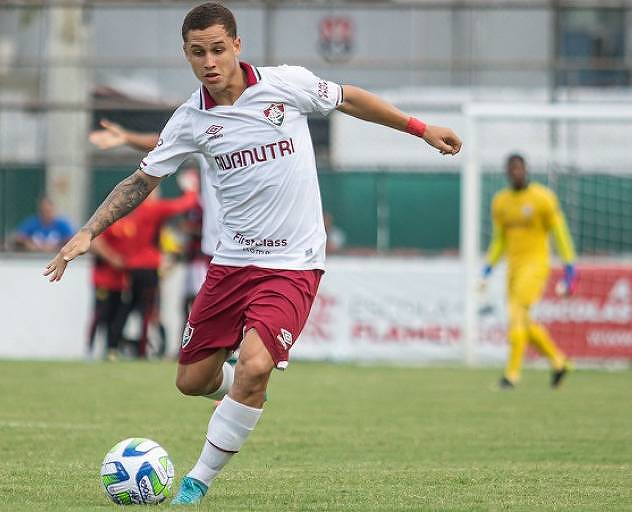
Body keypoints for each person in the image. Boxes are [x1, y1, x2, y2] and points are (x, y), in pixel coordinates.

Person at [45, 3, 461, 505]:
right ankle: (245, 396)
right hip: (232, 264)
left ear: (237, 46)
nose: (210, 61)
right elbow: (142, 180)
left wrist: (421, 129)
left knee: (256, 365)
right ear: (187, 55)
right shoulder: (190, 119)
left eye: (218, 49)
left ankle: (196, 482)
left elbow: (352, 101)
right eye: (198, 53)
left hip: (294, 263)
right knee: (191, 381)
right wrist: (88, 231)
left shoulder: (287, 85)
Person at [479, 154, 576, 390]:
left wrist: (570, 267)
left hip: (536, 265)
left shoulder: (543, 198)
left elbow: (560, 234)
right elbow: (499, 240)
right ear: (507, 172)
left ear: (526, 170)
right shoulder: (501, 202)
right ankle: (559, 362)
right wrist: (487, 268)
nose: (516, 172)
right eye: (511, 169)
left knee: (517, 314)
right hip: (513, 267)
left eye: (519, 168)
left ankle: (511, 375)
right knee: (524, 321)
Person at [107, 174, 200, 359]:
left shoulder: (133, 211)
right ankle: (142, 352)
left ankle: (112, 347)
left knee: (127, 307)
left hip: (132, 268)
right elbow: (183, 205)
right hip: (148, 267)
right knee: (148, 310)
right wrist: (192, 188)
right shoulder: (153, 208)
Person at [87, 227, 127, 361]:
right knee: (100, 316)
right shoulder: (107, 221)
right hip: (103, 280)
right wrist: (112, 258)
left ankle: (111, 350)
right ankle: (90, 350)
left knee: (115, 318)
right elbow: (94, 243)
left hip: (120, 281)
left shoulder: (128, 223)